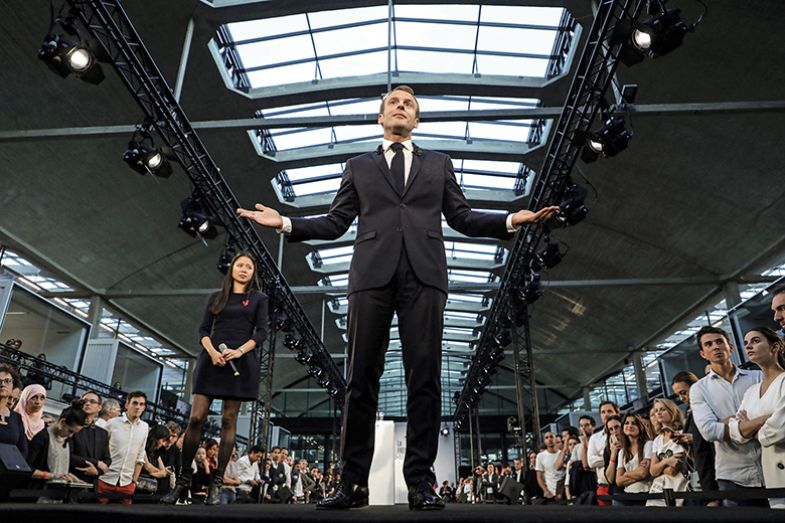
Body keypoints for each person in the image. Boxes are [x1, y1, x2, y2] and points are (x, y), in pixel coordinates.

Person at [237, 85, 559, 511]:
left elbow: (461, 216)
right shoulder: (358, 165)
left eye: (409, 104)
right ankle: (353, 484)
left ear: (417, 120)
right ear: (380, 117)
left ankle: (421, 485)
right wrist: (286, 223)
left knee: (424, 378)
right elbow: (336, 222)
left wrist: (511, 219)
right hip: (370, 275)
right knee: (359, 381)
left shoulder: (439, 164)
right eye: (394, 103)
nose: (401, 107)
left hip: (425, 274)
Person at [161, 252, 269, 506]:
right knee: (196, 418)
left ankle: (217, 483)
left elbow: (263, 331)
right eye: (240, 265)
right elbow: (203, 330)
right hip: (212, 359)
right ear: (232, 269)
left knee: (228, 419)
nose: (244, 270)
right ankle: (184, 480)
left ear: (253, 273)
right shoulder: (216, 298)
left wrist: (239, 350)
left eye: (249, 267)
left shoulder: (258, 298)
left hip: (240, 361)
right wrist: (212, 352)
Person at [689, 326, 764, 506]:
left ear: (729, 347)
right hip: (733, 476)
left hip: (771, 466)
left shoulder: (757, 377)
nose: (715, 347)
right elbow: (708, 431)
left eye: (719, 342)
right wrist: (753, 422)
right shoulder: (699, 389)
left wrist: (725, 423)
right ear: (703, 354)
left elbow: (774, 414)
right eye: (709, 344)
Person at [729, 327, 785, 509]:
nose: (749, 346)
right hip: (770, 474)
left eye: (755, 341)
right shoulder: (751, 392)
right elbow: (735, 432)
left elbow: (779, 430)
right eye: (746, 343)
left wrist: (750, 427)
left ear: (775, 347)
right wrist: (763, 420)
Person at [671, 370, 719, 506]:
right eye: (678, 395)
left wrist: (694, 438)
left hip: (717, 473)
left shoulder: (710, 409)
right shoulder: (692, 414)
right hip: (703, 478)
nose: (682, 398)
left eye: (683, 392)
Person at [26, 399, 90, 502]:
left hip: (58, 497)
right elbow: (27, 469)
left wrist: (74, 479)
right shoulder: (42, 438)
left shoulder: (67, 440)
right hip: (39, 496)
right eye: (70, 431)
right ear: (62, 422)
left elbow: (61, 470)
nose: (71, 435)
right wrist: (54, 476)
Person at [97, 391, 149, 504]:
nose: (137, 407)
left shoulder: (145, 427)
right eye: (134, 403)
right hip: (105, 479)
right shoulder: (111, 423)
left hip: (127, 484)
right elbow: (99, 450)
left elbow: (140, 455)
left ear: (144, 407)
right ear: (126, 405)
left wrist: (134, 481)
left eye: (141, 404)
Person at [647, 398, 688, 506]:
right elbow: (652, 471)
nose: (659, 413)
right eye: (656, 411)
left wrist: (659, 466)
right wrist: (665, 462)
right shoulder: (657, 440)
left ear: (671, 411)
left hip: (677, 488)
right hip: (658, 489)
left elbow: (673, 470)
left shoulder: (682, 433)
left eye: (662, 409)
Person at [69, 390, 111, 487]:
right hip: (72, 480)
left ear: (99, 407)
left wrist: (96, 471)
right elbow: (68, 455)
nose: (87, 404)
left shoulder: (103, 433)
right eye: (84, 401)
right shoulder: (71, 427)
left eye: (92, 402)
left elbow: (107, 460)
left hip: (93, 484)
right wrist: (96, 462)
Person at [609, 414, 652, 506]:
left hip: (647, 494)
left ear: (640, 427)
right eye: (626, 423)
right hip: (628, 496)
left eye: (634, 423)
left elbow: (643, 473)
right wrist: (638, 474)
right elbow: (619, 481)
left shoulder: (648, 445)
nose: (629, 426)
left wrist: (626, 474)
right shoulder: (622, 452)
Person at [584, 401, 620, 505]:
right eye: (603, 412)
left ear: (617, 412)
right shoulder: (595, 438)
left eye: (609, 411)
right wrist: (611, 455)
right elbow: (591, 462)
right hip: (603, 487)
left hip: (623, 486)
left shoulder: (625, 432)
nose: (606, 414)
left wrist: (600, 456)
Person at [535, 432, 565, 504]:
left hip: (564, 491)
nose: (549, 439)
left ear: (555, 439)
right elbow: (539, 477)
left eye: (551, 437)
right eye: (546, 437)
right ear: (544, 441)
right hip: (550, 494)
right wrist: (546, 491)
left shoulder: (563, 454)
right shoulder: (540, 456)